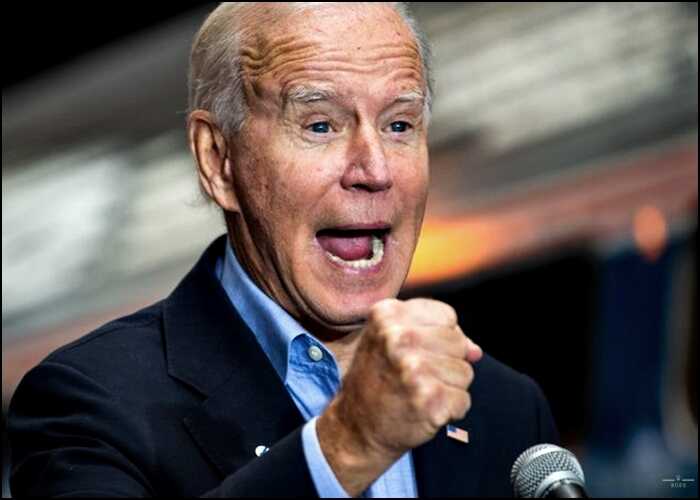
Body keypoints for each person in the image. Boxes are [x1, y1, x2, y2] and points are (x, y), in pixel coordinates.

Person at [8, 3, 559, 497]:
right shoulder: (87, 402)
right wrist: (347, 445)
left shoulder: (506, 409)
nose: (375, 170)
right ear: (218, 160)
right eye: (320, 125)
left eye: (399, 125)